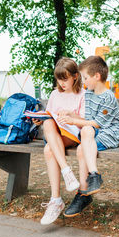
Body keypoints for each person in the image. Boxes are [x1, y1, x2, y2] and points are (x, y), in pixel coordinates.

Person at [56, 55, 119, 217]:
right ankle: (90, 181)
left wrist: (73, 120)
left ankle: (84, 192)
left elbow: (97, 124)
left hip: (109, 134)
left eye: (85, 77)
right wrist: (71, 114)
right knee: (83, 141)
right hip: (92, 133)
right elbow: (86, 121)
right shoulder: (88, 94)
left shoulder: (108, 97)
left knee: (82, 146)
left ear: (97, 76)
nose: (83, 81)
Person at [33, 57, 85, 225]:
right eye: (59, 79)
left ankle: (57, 198)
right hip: (55, 134)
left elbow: (85, 120)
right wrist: (38, 119)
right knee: (48, 137)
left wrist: (70, 115)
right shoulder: (55, 94)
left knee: (50, 148)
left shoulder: (82, 94)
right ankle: (57, 195)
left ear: (75, 76)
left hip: (72, 133)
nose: (62, 83)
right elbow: (49, 115)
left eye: (66, 78)